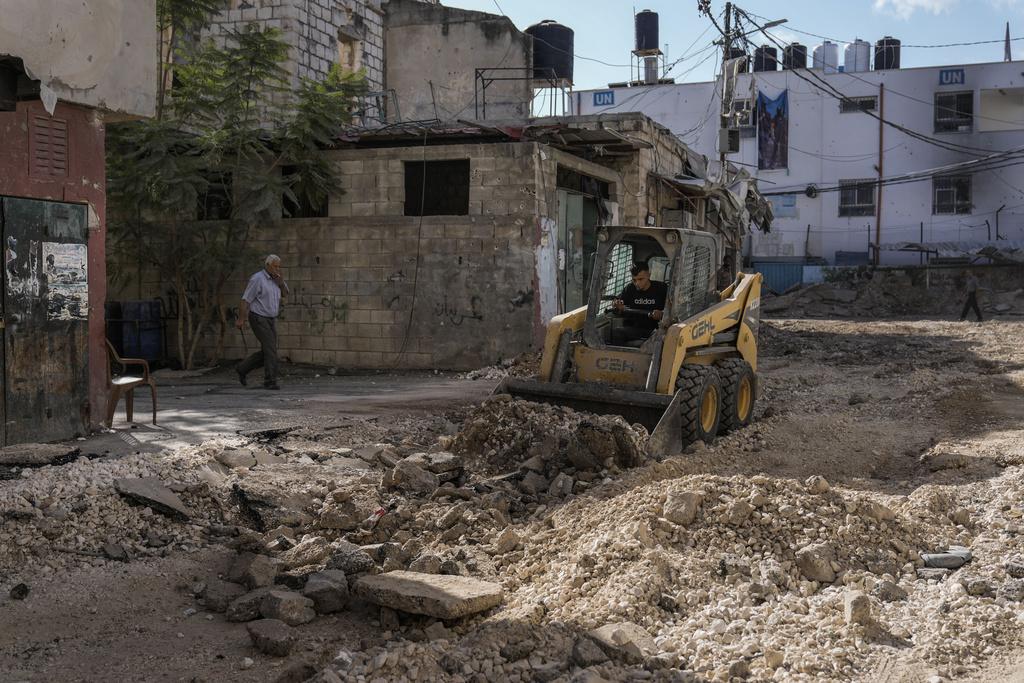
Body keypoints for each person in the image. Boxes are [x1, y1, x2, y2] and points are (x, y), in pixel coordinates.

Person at [236, 254, 289, 389]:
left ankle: (243, 368)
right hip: (258, 317)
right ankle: (270, 381)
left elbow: (285, 294)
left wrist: (281, 282)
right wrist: (241, 318)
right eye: (275, 266)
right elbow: (245, 300)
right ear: (267, 265)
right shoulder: (257, 279)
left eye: (279, 266)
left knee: (268, 350)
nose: (277, 269)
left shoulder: (277, 279)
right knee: (271, 350)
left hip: (271, 319)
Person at [612, 261, 668, 344]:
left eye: (641, 279)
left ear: (649, 275)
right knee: (617, 332)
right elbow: (618, 308)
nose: (637, 283)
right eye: (634, 280)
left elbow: (674, 309)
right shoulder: (629, 289)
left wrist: (663, 314)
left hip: (656, 330)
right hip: (634, 329)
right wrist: (617, 306)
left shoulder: (662, 289)